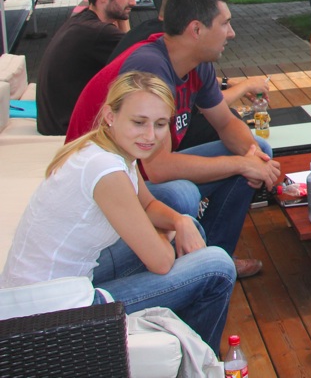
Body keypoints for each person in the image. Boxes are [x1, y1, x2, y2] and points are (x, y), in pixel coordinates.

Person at [2, 72, 236, 353]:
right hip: (51, 313)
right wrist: (169, 233)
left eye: (160, 124)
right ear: (110, 116)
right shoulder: (106, 170)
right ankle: (198, 361)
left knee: (191, 229)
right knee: (218, 267)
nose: (150, 136)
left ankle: (178, 343)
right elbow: (161, 263)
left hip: (50, 288)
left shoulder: (108, 148)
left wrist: (180, 221)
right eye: (139, 122)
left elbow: (148, 205)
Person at [66, 0, 276, 278]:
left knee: (258, 149)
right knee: (181, 195)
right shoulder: (150, 67)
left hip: (135, 176)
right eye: (225, 24)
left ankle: (216, 258)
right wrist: (243, 164)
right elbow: (159, 168)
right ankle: (190, 271)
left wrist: (253, 157)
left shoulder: (195, 62)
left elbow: (226, 122)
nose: (231, 33)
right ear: (196, 29)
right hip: (102, 187)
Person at [36, 0, 137, 136]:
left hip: (54, 124)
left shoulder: (82, 21)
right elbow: (143, 55)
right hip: (69, 131)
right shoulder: (99, 33)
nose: (133, 2)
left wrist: (122, 15)